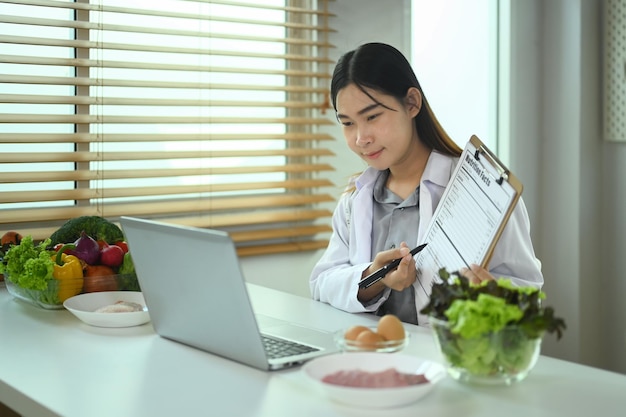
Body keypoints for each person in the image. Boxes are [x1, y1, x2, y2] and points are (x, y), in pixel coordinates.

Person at [309, 42, 543, 325]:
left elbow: (528, 294)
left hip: (452, 360)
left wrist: (490, 297)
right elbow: (322, 283)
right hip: (375, 360)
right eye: (347, 123)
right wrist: (375, 277)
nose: (361, 138)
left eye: (372, 116)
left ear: (412, 103)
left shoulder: (482, 189)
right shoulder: (355, 198)